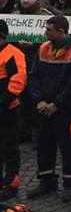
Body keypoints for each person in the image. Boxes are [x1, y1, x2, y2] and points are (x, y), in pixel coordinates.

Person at [25, 16, 71, 202]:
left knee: (68, 146)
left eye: (49, 30)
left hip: (65, 108)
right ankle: (46, 180)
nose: (45, 32)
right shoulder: (44, 48)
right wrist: (39, 100)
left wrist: (56, 104)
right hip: (44, 107)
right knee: (44, 144)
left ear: (61, 31)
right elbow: (33, 76)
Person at [0, 20, 27, 201]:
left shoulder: (13, 54)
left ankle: (11, 183)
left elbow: (18, 80)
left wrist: (3, 102)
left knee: (9, 147)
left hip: (7, 108)